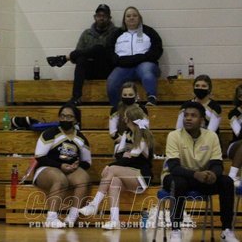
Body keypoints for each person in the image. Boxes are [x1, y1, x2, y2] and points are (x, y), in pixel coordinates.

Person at [162, 102, 238, 242]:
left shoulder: (212, 136)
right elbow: (174, 167)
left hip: (202, 178)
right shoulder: (174, 135)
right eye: (186, 115)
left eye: (193, 116)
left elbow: (217, 164)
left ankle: (226, 231)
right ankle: (176, 230)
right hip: (177, 177)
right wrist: (195, 174)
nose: (188, 118)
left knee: (227, 182)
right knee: (178, 182)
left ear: (202, 120)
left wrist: (213, 174)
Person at [80, 106, 154, 229]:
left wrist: (111, 164)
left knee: (112, 169)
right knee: (114, 181)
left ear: (129, 119)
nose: (124, 119)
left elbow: (133, 157)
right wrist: (124, 156)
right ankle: (114, 220)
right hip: (128, 173)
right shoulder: (127, 133)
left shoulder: (143, 135)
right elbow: (119, 154)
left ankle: (94, 205)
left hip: (142, 175)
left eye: (125, 117)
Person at [32, 104, 91, 228]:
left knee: (83, 179)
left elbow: (87, 162)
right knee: (60, 179)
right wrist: (59, 165)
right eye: (63, 116)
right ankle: (51, 218)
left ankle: (72, 217)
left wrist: (76, 165)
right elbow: (39, 157)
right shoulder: (49, 134)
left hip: (69, 169)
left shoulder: (81, 138)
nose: (65, 119)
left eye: (69, 117)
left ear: (75, 119)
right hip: (46, 169)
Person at [47, 4, 118, 105]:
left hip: (108, 69)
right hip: (91, 70)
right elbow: (77, 57)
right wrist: (87, 55)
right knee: (81, 59)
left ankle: (65, 58)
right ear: (94, 17)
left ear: (109, 18)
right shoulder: (86, 34)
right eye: (99, 15)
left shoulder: (116, 32)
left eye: (104, 16)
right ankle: (76, 97)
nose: (101, 18)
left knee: (99, 48)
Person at [106, 6, 163, 107]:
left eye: (134, 15)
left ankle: (151, 99)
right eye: (128, 16)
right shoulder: (116, 34)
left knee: (147, 73)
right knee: (112, 81)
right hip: (123, 67)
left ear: (139, 18)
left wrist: (141, 58)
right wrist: (121, 61)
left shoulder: (149, 31)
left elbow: (157, 50)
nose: (131, 18)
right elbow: (109, 52)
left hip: (144, 65)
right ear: (124, 19)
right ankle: (116, 107)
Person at [109, 82, 148, 154]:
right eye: (125, 95)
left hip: (139, 143)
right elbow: (112, 132)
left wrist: (134, 142)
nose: (127, 97)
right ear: (121, 96)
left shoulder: (141, 109)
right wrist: (124, 141)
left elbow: (145, 128)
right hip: (120, 143)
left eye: (130, 95)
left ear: (135, 95)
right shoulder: (116, 109)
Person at [226, 84, 242, 186]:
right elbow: (239, 133)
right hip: (235, 146)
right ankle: (232, 175)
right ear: (239, 97)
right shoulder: (233, 113)